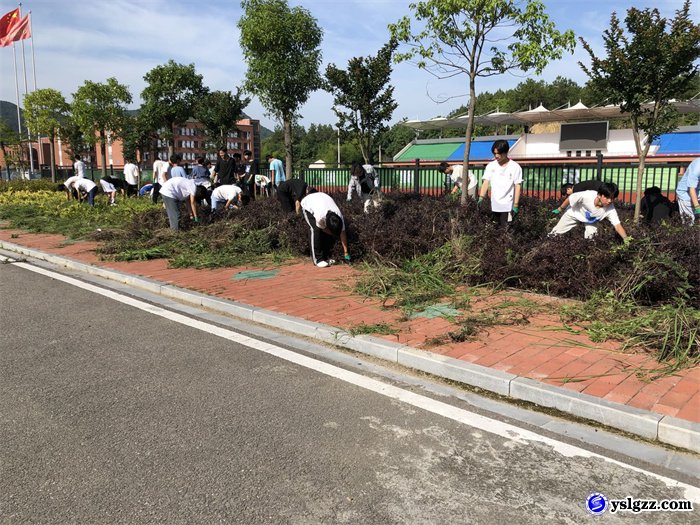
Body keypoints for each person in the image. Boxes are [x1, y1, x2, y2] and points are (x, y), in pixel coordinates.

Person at [550, 182, 628, 240]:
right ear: (599, 195)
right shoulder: (587, 195)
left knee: (591, 241)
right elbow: (570, 199)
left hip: (591, 221)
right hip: (574, 213)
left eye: (612, 198)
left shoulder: (610, 209)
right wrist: (559, 209)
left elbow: (617, 226)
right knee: (554, 234)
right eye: (607, 197)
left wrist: (626, 239)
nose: (609, 201)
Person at [477, 140, 522, 226]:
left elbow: (517, 185)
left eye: (499, 153)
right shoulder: (491, 166)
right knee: (495, 227)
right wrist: (481, 198)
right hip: (494, 203)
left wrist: (516, 204)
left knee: (505, 228)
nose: (496, 156)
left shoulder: (515, 167)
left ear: (506, 152)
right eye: (494, 153)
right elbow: (486, 182)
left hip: (508, 203)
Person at [300, 191, 350, 268]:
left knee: (328, 234)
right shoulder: (320, 217)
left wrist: (346, 253)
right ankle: (317, 259)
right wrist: (333, 234)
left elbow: (342, 233)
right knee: (315, 230)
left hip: (322, 198)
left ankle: (327, 257)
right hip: (307, 203)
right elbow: (323, 229)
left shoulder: (339, 217)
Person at [675, 157, 700, 224]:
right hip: (686, 194)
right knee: (690, 223)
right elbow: (691, 189)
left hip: (698, 192)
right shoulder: (697, 168)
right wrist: (697, 208)